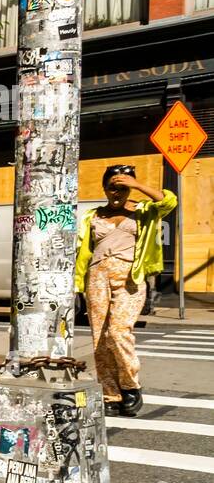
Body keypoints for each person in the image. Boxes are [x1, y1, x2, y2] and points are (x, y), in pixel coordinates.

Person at [74, 165, 176, 417]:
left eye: (122, 187)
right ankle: (110, 393)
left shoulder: (143, 210)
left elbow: (169, 202)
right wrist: (76, 285)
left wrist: (137, 185)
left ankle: (131, 386)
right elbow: (83, 252)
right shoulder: (93, 215)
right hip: (97, 277)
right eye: (112, 187)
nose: (117, 193)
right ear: (104, 189)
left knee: (118, 332)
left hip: (130, 277)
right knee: (100, 339)